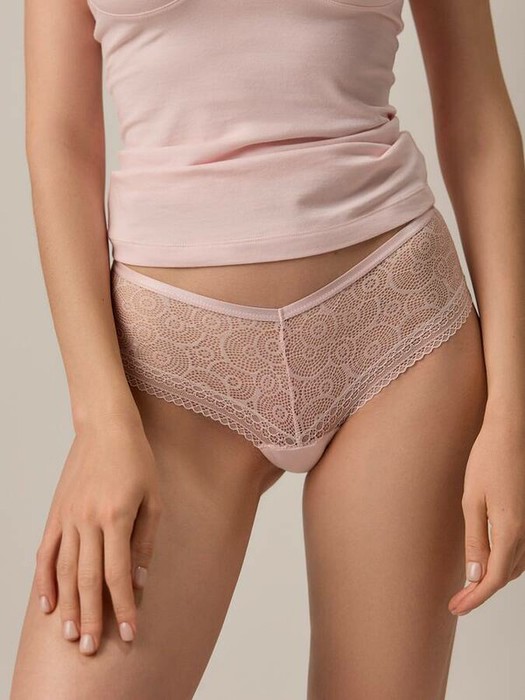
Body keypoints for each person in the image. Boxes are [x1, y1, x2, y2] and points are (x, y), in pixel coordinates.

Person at [10, 0, 525, 697]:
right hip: (168, 376)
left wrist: (512, 416)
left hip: (397, 333)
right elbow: (61, 140)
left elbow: (478, 118)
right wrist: (99, 420)